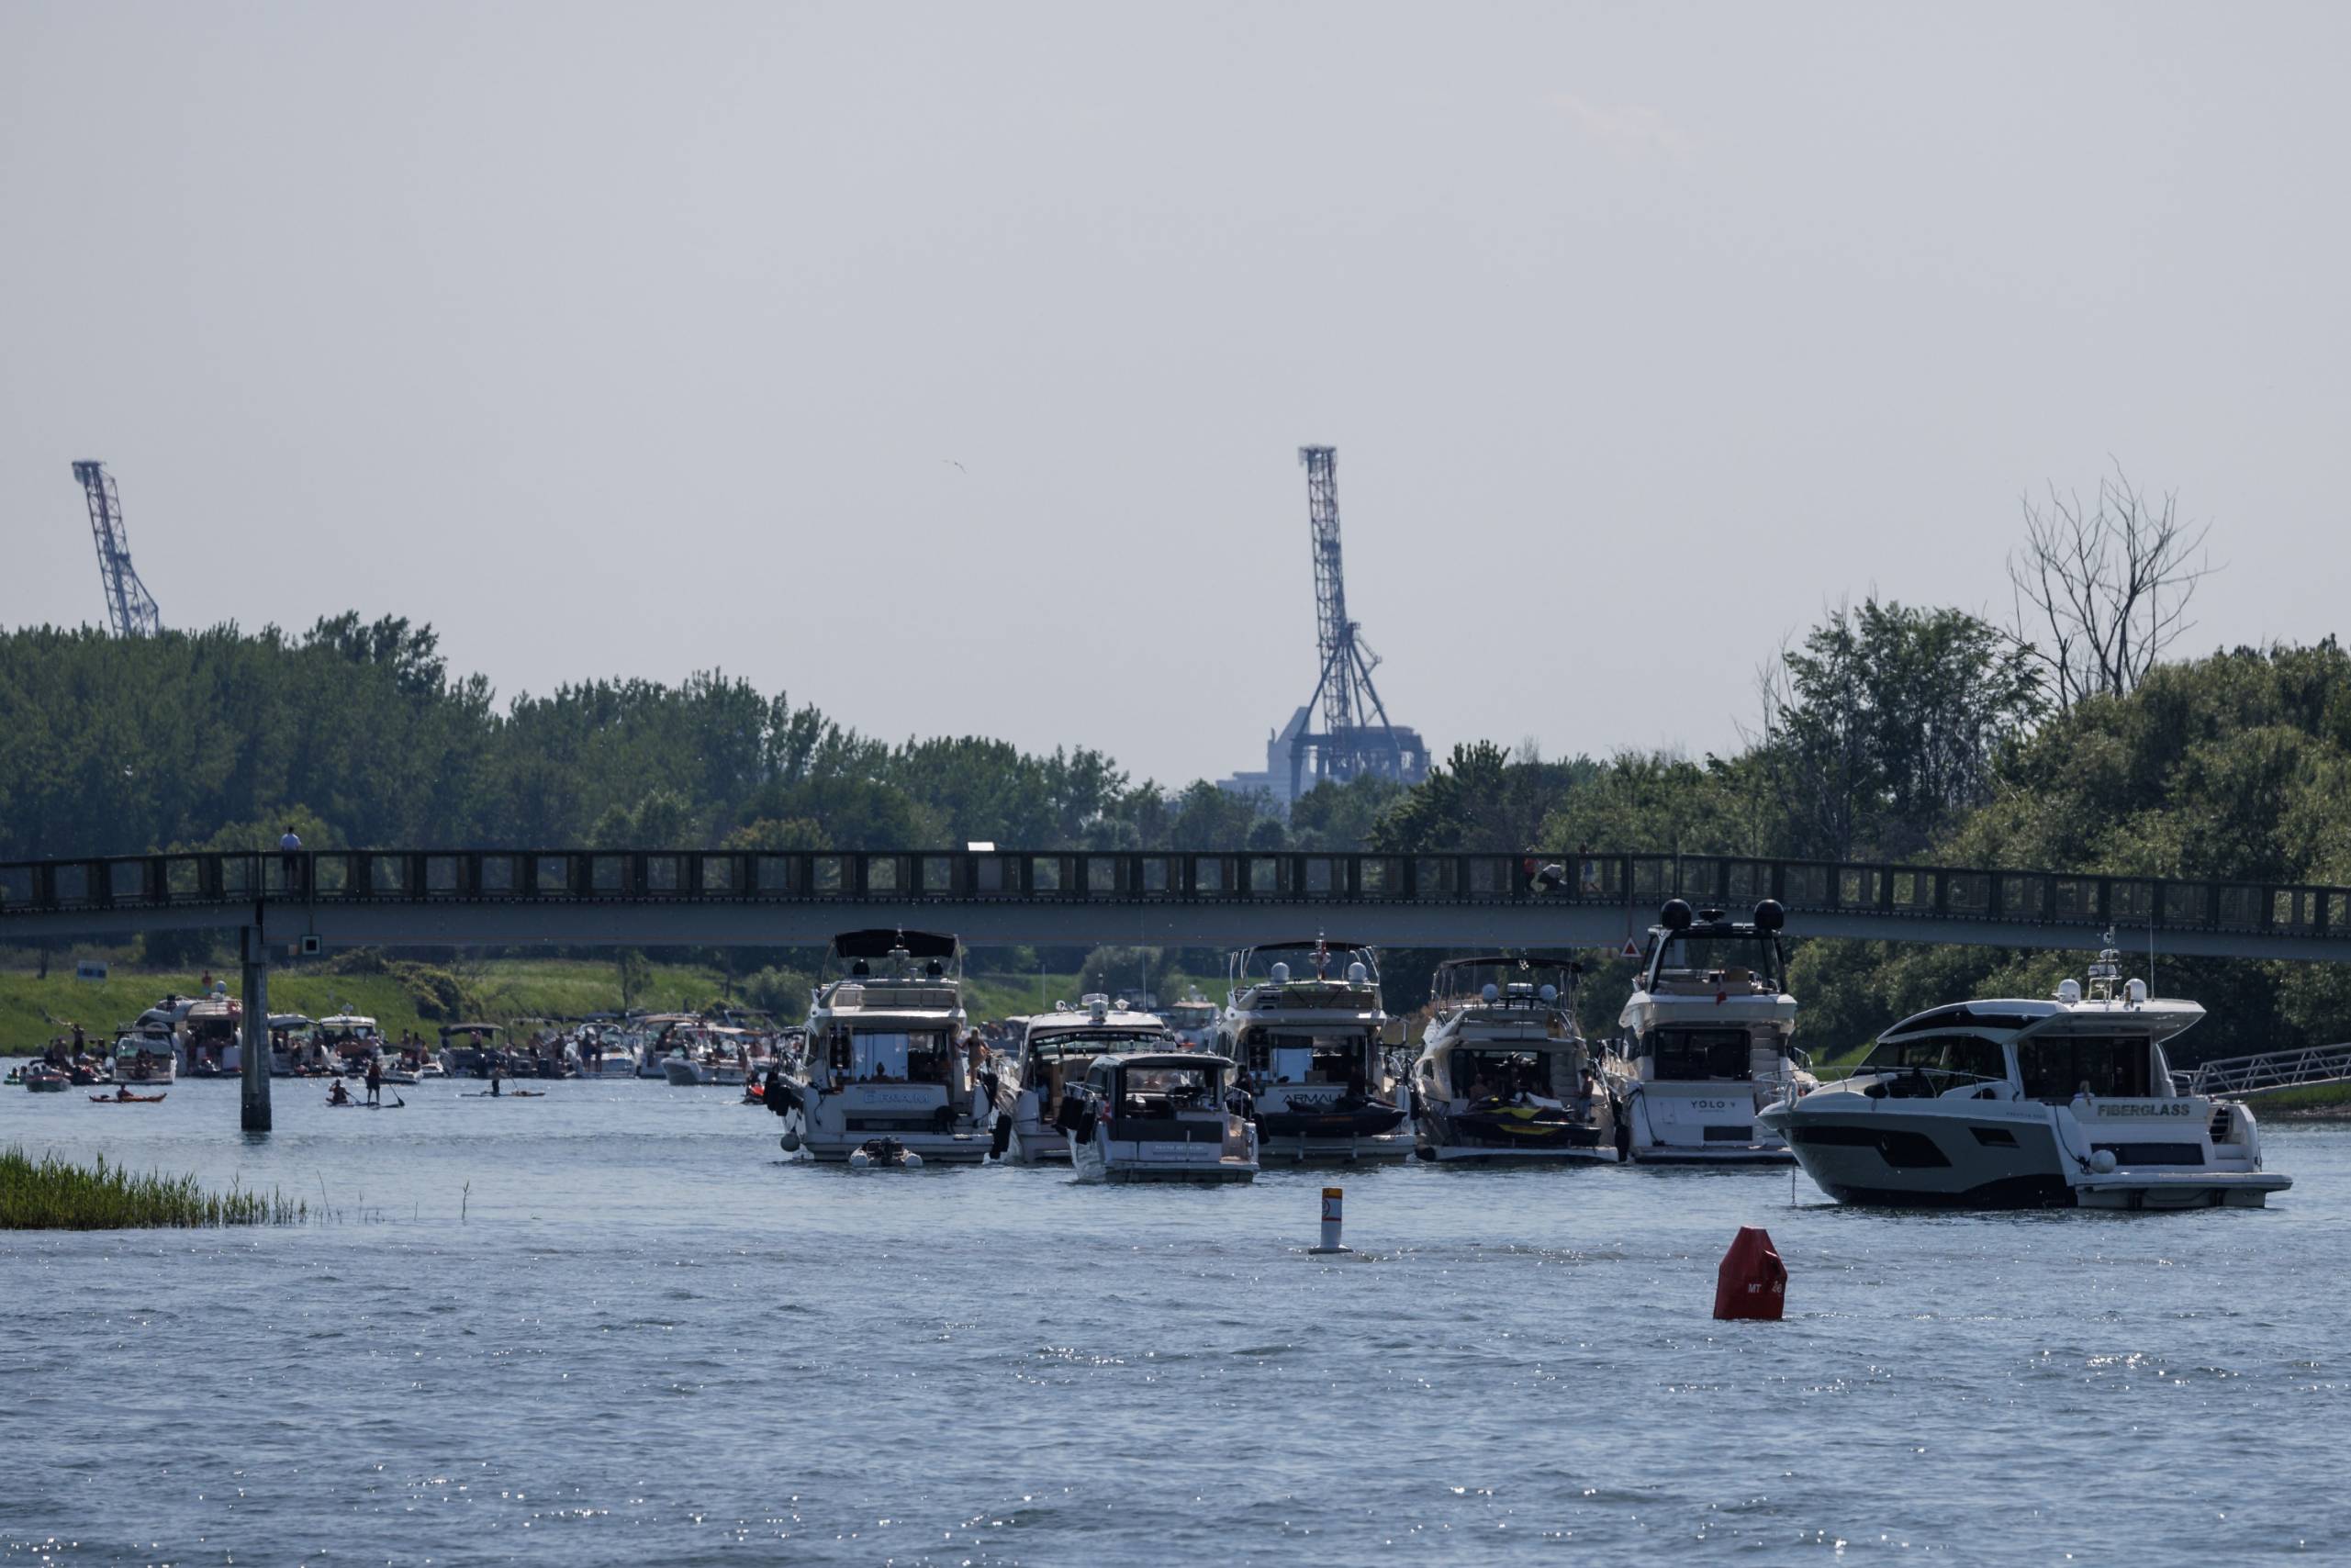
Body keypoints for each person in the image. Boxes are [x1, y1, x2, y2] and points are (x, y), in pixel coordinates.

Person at [279, 824, 303, 890]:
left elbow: (282, 847)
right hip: (294, 854)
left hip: (286, 854)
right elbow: (298, 847)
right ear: (293, 830)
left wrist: (283, 853)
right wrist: (298, 854)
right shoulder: (296, 837)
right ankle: (294, 883)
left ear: (288, 830)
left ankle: (286, 883)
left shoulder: (284, 837)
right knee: (294, 870)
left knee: (286, 870)